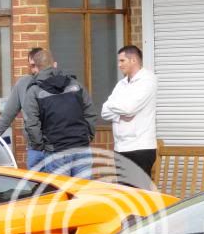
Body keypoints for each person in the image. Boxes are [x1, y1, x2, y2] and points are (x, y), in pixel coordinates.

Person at [23, 50, 97, 179]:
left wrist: (41, 146)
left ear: (37, 67)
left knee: (60, 191)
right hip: (81, 148)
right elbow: (90, 112)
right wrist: (87, 137)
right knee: (82, 191)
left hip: (56, 152)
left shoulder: (34, 91)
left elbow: (31, 124)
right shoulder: (75, 84)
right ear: (54, 64)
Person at [101, 45, 158, 184]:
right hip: (120, 148)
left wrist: (114, 106)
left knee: (139, 193)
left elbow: (129, 109)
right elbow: (104, 111)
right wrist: (119, 115)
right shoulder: (121, 84)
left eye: (122, 61)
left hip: (140, 148)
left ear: (133, 60)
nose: (119, 65)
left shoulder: (147, 80)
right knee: (124, 192)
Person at [0, 47, 45, 169]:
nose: (35, 69)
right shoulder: (23, 84)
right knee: (35, 181)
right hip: (35, 148)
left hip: (56, 148)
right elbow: (7, 116)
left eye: (38, 65)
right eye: (32, 65)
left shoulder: (58, 82)